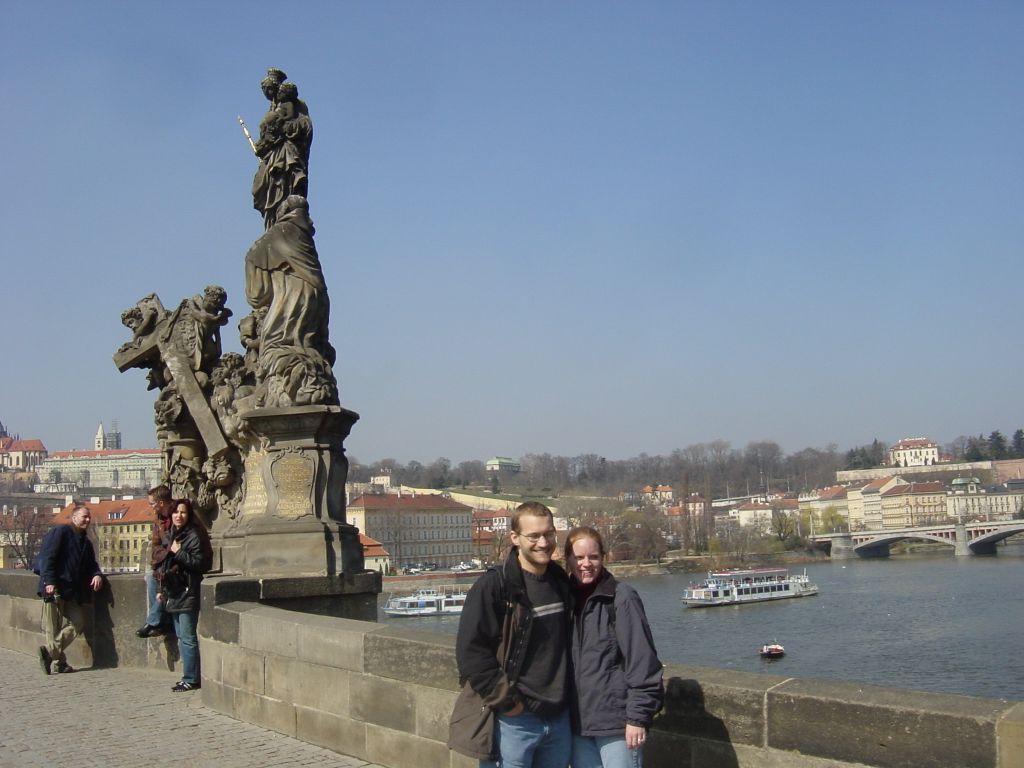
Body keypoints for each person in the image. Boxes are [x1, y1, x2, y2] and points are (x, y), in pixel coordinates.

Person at [451, 502, 573, 768]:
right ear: (515, 538)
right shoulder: (494, 586)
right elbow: (471, 654)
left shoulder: (559, 580)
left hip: (558, 715)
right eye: (534, 536)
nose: (544, 543)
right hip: (515, 718)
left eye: (549, 534)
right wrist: (508, 703)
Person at [564, 527, 663, 768]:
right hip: (577, 726)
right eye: (579, 557)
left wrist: (638, 718)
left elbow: (643, 662)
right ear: (567, 559)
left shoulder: (621, 597)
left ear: (603, 558)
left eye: (593, 557)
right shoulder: (562, 599)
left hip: (617, 724)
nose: (586, 564)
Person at [35, 505, 104, 675]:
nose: (87, 520)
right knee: (53, 628)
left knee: (78, 622)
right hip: (54, 587)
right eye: (84, 517)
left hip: (72, 591)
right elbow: (47, 557)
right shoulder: (61, 532)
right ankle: (60, 664)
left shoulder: (86, 542)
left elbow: (91, 565)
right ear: (74, 518)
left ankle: (49, 653)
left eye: (89, 517)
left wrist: (97, 575)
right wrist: (49, 581)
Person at [157, 498, 210, 692]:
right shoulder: (174, 534)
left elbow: (201, 564)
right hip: (175, 591)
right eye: (175, 512)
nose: (179, 516)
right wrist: (161, 590)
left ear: (189, 515)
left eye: (183, 512)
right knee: (181, 636)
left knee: (187, 637)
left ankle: (192, 678)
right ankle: (188, 676)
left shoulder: (194, 535)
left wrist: (179, 553)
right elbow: (165, 565)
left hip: (188, 591)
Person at [137, 485, 176, 638]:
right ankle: (161, 622)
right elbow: (156, 546)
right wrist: (157, 562)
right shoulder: (158, 520)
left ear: (161, 503)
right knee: (151, 575)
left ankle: (154, 622)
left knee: (162, 579)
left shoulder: (177, 514)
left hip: (178, 562)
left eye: (152, 503)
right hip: (165, 560)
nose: (151, 507)